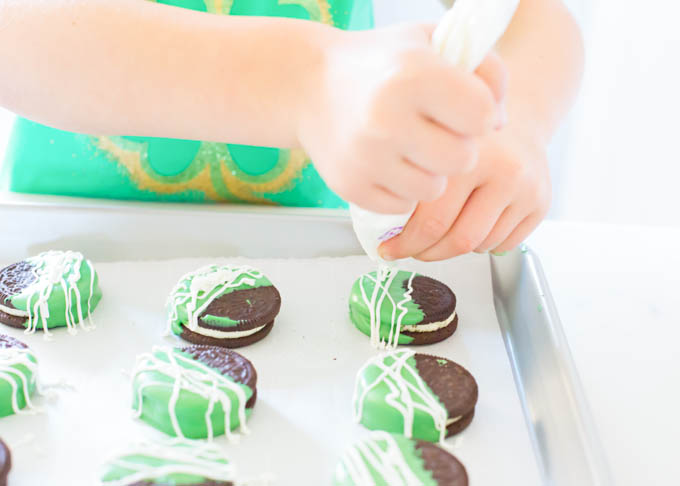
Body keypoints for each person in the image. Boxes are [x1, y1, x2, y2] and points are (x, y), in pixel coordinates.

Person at [0, 0, 583, 261]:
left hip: (313, 258)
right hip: (55, 243)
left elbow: (532, 15)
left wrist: (515, 119)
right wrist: (306, 80)